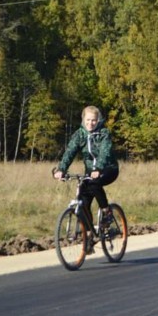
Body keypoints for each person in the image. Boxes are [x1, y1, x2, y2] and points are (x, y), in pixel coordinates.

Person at [54, 106, 119, 250]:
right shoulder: (79, 135)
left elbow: (105, 152)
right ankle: (90, 236)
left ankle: (107, 212)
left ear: (98, 120)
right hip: (91, 172)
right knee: (83, 201)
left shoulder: (104, 133)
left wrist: (98, 168)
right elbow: (70, 152)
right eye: (88, 120)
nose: (91, 123)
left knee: (94, 183)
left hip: (108, 168)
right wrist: (61, 169)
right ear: (83, 120)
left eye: (94, 120)